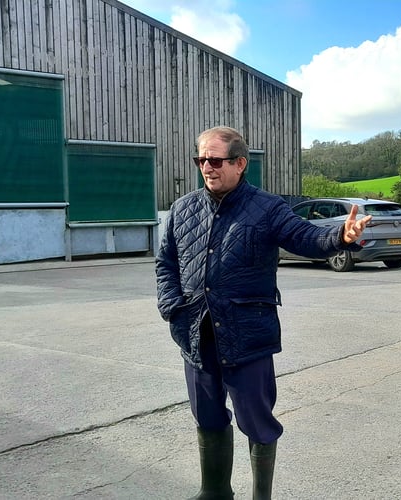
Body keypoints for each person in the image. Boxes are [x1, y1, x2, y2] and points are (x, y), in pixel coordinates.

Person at [155, 126, 371, 500]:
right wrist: (171, 307)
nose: (207, 166)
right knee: (206, 415)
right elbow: (166, 263)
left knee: (257, 421)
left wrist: (340, 236)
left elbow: (305, 237)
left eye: (216, 160)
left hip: (247, 335)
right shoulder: (182, 209)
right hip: (195, 332)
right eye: (201, 159)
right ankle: (215, 491)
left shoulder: (267, 208)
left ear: (240, 163)